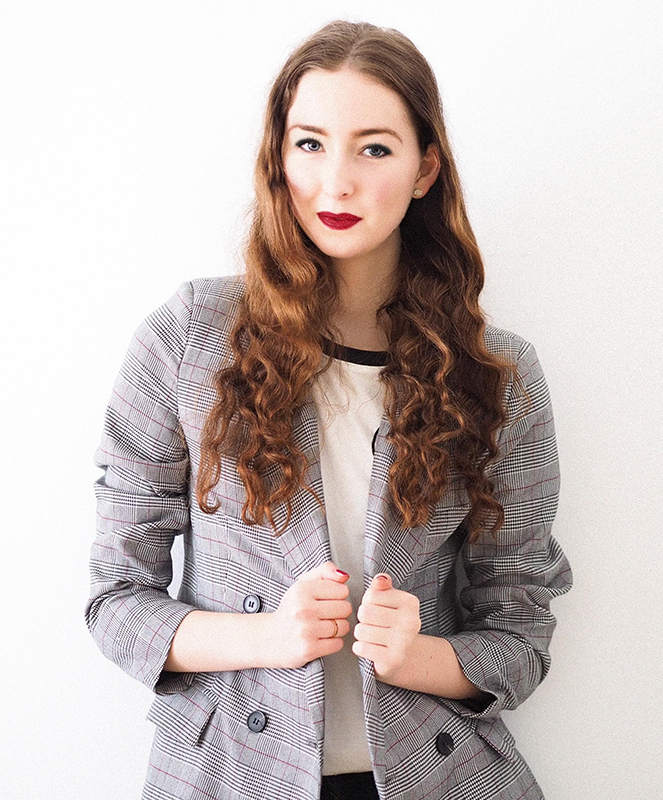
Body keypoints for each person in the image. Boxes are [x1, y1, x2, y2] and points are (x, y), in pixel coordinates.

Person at [85, 19, 572, 800]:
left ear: (424, 170)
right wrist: (269, 638)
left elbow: (519, 632)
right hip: (232, 777)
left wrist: (417, 657)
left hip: (436, 774)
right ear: (278, 156)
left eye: (373, 148)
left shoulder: (497, 377)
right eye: (309, 144)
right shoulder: (187, 341)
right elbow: (115, 600)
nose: (335, 183)